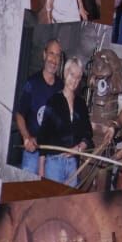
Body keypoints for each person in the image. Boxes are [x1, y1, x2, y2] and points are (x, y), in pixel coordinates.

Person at [40, 54, 94, 185]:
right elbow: (43, 135)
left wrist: (80, 148)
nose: (74, 80)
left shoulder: (81, 104)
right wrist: (41, 168)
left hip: (72, 165)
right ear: (65, 73)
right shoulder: (53, 101)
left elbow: (88, 133)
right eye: (71, 74)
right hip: (54, 163)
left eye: (78, 77)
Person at [12, 38, 62, 174]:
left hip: (51, 152)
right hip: (32, 151)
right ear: (44, 55)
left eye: (58, 55)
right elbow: (19, 115)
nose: (54, 59)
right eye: (51, 53)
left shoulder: (61, 87)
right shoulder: (32, 83)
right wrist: (26, 137)